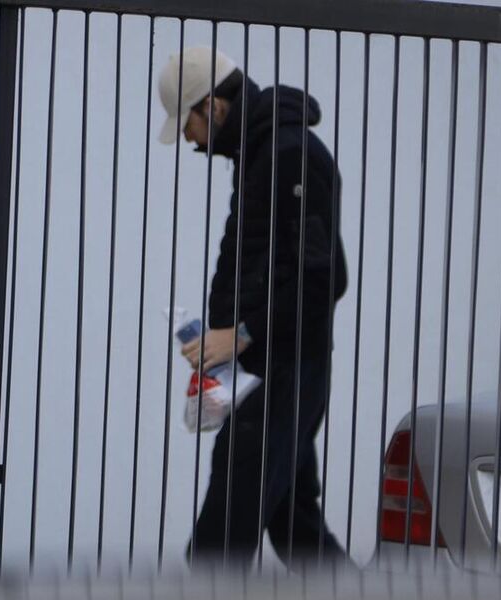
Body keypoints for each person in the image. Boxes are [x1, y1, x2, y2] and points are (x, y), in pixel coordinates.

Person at [158, 46, 348, 569]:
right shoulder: (262, 154)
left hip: (282, 372)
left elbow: (324, 278)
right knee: (295, 528)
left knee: (220, 542)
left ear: (213, 106)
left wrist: (239, 335)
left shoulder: (291, 155)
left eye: (188, 125)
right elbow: (262, 264)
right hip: (267, 370)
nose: (191, 141)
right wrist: (223, 344)